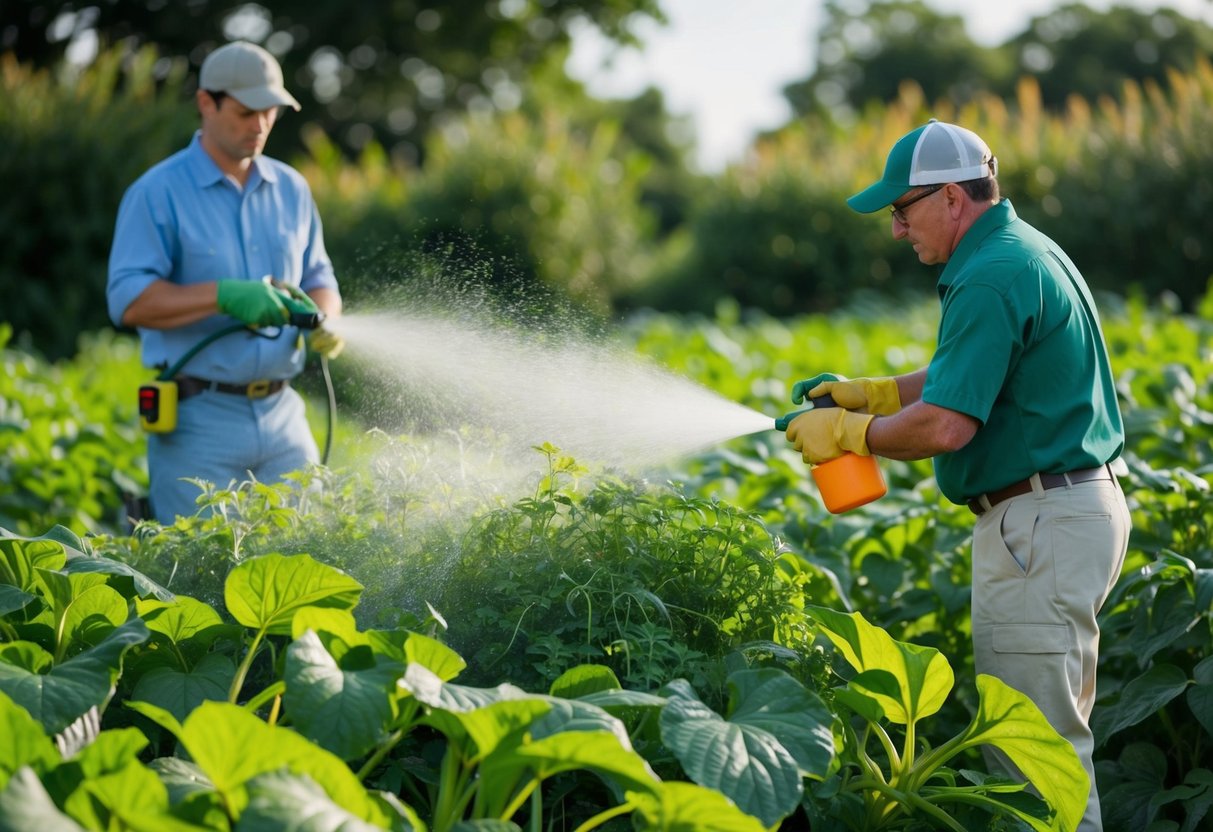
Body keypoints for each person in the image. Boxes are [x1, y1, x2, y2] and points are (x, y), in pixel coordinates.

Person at [781, 119, 1129, 832]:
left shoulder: (987, 275)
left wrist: (851, 433)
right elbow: (963, 376)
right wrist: (873, 393)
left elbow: (945, 425)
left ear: (947, 196)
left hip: (1040, 525)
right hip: (1063, 516)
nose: (896, 230)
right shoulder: (1018, 252)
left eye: (900, 211)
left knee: (1034, 764)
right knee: (1048, 745)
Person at [108, 40, 345, 524]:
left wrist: (327, 319)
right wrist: (224, 296)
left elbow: (320, 276)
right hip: (198, 423)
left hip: (284, 417)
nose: (259, 125)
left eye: (270, 112)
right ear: (205, 103)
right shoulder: (157, 193)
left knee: (307, 564)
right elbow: (128, 300)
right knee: (195, 582)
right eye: (245, 112)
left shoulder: (292, 189)